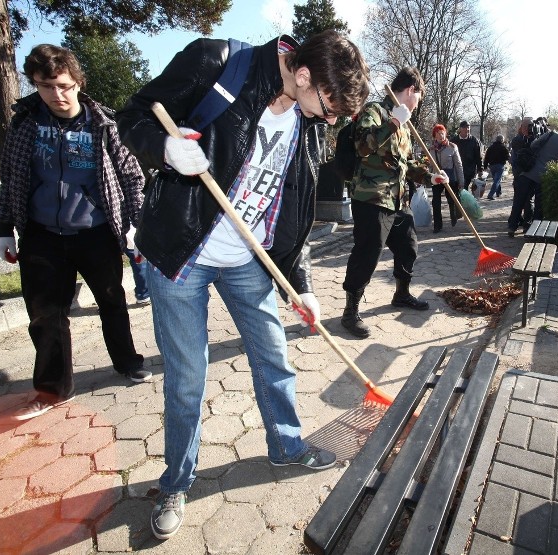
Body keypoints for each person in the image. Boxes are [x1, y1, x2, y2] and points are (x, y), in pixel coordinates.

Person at [116, 30, 370, 540]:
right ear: (303, 76)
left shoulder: (307, 120)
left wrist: (301, 283)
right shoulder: (218, 62)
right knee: (188, 378)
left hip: (248, 260)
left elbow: (290, 206)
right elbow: (133, 116)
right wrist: (165, 148)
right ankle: (176, 482)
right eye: (331, 106)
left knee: (274, 355)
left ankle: (288, 446)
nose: (332, 118)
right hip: (182, 252)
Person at [0, 44, 149, 422]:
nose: (56, 95)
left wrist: (135, 225)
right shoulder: (25, 123)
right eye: (45, 86)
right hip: (42, 235)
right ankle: (52, 389)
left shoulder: (104, 125)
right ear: (35, 85)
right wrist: (4, 229)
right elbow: (11, 176)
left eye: (63, 85)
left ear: (78, 83)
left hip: (96, 232)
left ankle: (127, 361)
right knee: (45, 315)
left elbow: (131, 177)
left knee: (112, 302)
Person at [340, 67, 446, 339]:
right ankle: (350, 311)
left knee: (408, 246)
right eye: (418, 97)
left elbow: (406, 164)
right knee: (368, 253)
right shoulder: (375, 111)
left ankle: (401, 294)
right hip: (371, 198)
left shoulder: (405, 124)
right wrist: (393, 123)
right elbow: (363, 146)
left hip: (398, 200)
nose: (417, 103)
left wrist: (430, 177)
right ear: (411, 90)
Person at [508, 127, 558, 236]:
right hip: (544, 176)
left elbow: (533, 145)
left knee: (519, 201)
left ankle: (512, 227)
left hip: (530, 170)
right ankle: (535, 230)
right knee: (539, 204)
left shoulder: (551, 134)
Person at [428, 123, 463, 232]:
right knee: (436, 202)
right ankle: (437, 225)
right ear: (435, 135)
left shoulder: (452, 147)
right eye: (438, 133)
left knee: (451, 199)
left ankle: (453, 217)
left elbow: (458, 164)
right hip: (437, 178)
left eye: (443, 133)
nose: (441, 135)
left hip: (449, 178)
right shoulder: (431, 149)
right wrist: (427, 178)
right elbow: (429, 165)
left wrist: (461, 180)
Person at [509, 118, 534, 223]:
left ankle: (516, 222)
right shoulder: (518, 140)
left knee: (522, 200)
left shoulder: (532, 139)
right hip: (522, 174)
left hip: (525, 174)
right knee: (524, 200)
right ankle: (521, 223)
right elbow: (515, 159)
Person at [452, 120, 483, 190]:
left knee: (464, 187)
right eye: (465, 128)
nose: (467, 129)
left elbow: (478, 156)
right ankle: (459, 200)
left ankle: (463, 200)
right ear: (460, 129)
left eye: (468, 128)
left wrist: (480, 169)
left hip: (469, 169)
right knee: (456, 188)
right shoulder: (454, 141)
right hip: (456, 169)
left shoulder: (474, 141)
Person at [484, 135, 509, 200]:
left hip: (492, 166)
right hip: (500, 165)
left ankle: (498, 192)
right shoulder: (503, 148)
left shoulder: (490, 147)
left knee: (496, 179)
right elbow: (507, 157)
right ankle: (490, 194)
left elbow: (486, 157)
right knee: (497, 180)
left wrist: (485, 166)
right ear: (502, 140)